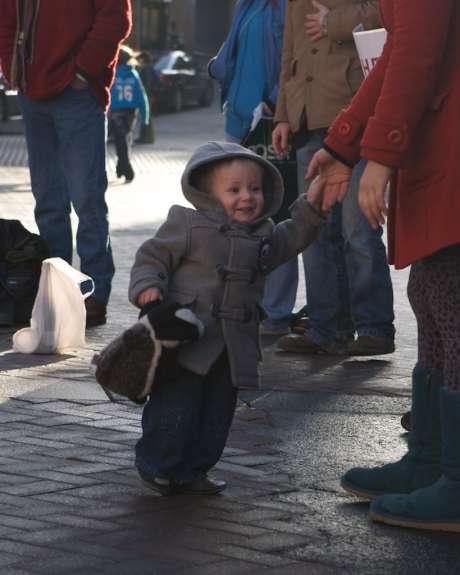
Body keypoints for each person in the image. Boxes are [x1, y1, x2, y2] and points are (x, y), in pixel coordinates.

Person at [308, 0, 460, 532]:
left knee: (452, 302)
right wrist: (345, 145)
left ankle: (455, 479)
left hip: (449, 138)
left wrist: (381, 152)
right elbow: (400, 48)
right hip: (441, 136)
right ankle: (433, 460)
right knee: (434, 297)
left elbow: (416, 51)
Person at [128, 141, 325, 495]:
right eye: (233, 190)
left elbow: (292, 238)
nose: (247, 197)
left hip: (233, 346)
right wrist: (148, 287)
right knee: (176, 407)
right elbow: (151, 256)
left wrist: (312, 207)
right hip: (187, 341)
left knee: (217, 414)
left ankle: (194, 469)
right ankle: (157, 462)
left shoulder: (264, 235)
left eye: (254, 189)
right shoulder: (187, 224)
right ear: (207, 193)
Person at [272, 0, 395, 355]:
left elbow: (386, 15)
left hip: (354, 108)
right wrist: (283, 114)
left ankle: (374, 327)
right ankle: (326, 328)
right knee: (316, 228)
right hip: (307, 115)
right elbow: (289, 52)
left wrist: (333, 23)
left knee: (358, 227)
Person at [0, 0, 131, 327]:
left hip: (77, 92)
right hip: (32, 91)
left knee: (87, 199)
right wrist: (11, 68)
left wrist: (84, 72)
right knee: (48, 201)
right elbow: (5, 18)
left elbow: (115, 18)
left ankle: (93, 294)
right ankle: (56, 293)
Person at [209, 0, 302, 335]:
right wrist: (218, 67)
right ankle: (243, 303)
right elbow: (235, 49)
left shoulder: (286, 6)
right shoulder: (250, 3)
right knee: (239, 218)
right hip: (239, 121)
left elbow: (293, 57)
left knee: (275, 214)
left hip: (267, 121)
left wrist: (276, 102)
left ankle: (274, 310)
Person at [109, 46, 150, 183]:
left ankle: (125, 168)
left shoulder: (112, 74)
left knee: (120, 140)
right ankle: (122, 167)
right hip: (131, 113)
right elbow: (141, 96)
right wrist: (145, 116)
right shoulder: (133, 74)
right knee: (125, 139)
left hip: (115, 112)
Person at [136, 50, 156, 145]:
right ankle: (145, 137)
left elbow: (147, 83)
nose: (138, 61)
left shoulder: (146, 68)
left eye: (139, 59)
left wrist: (146, 93)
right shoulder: (149, 68)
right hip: (149, 94)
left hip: (146, 94)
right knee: (146, 116)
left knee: (146, 116)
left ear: (143, 59)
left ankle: (147, 138)